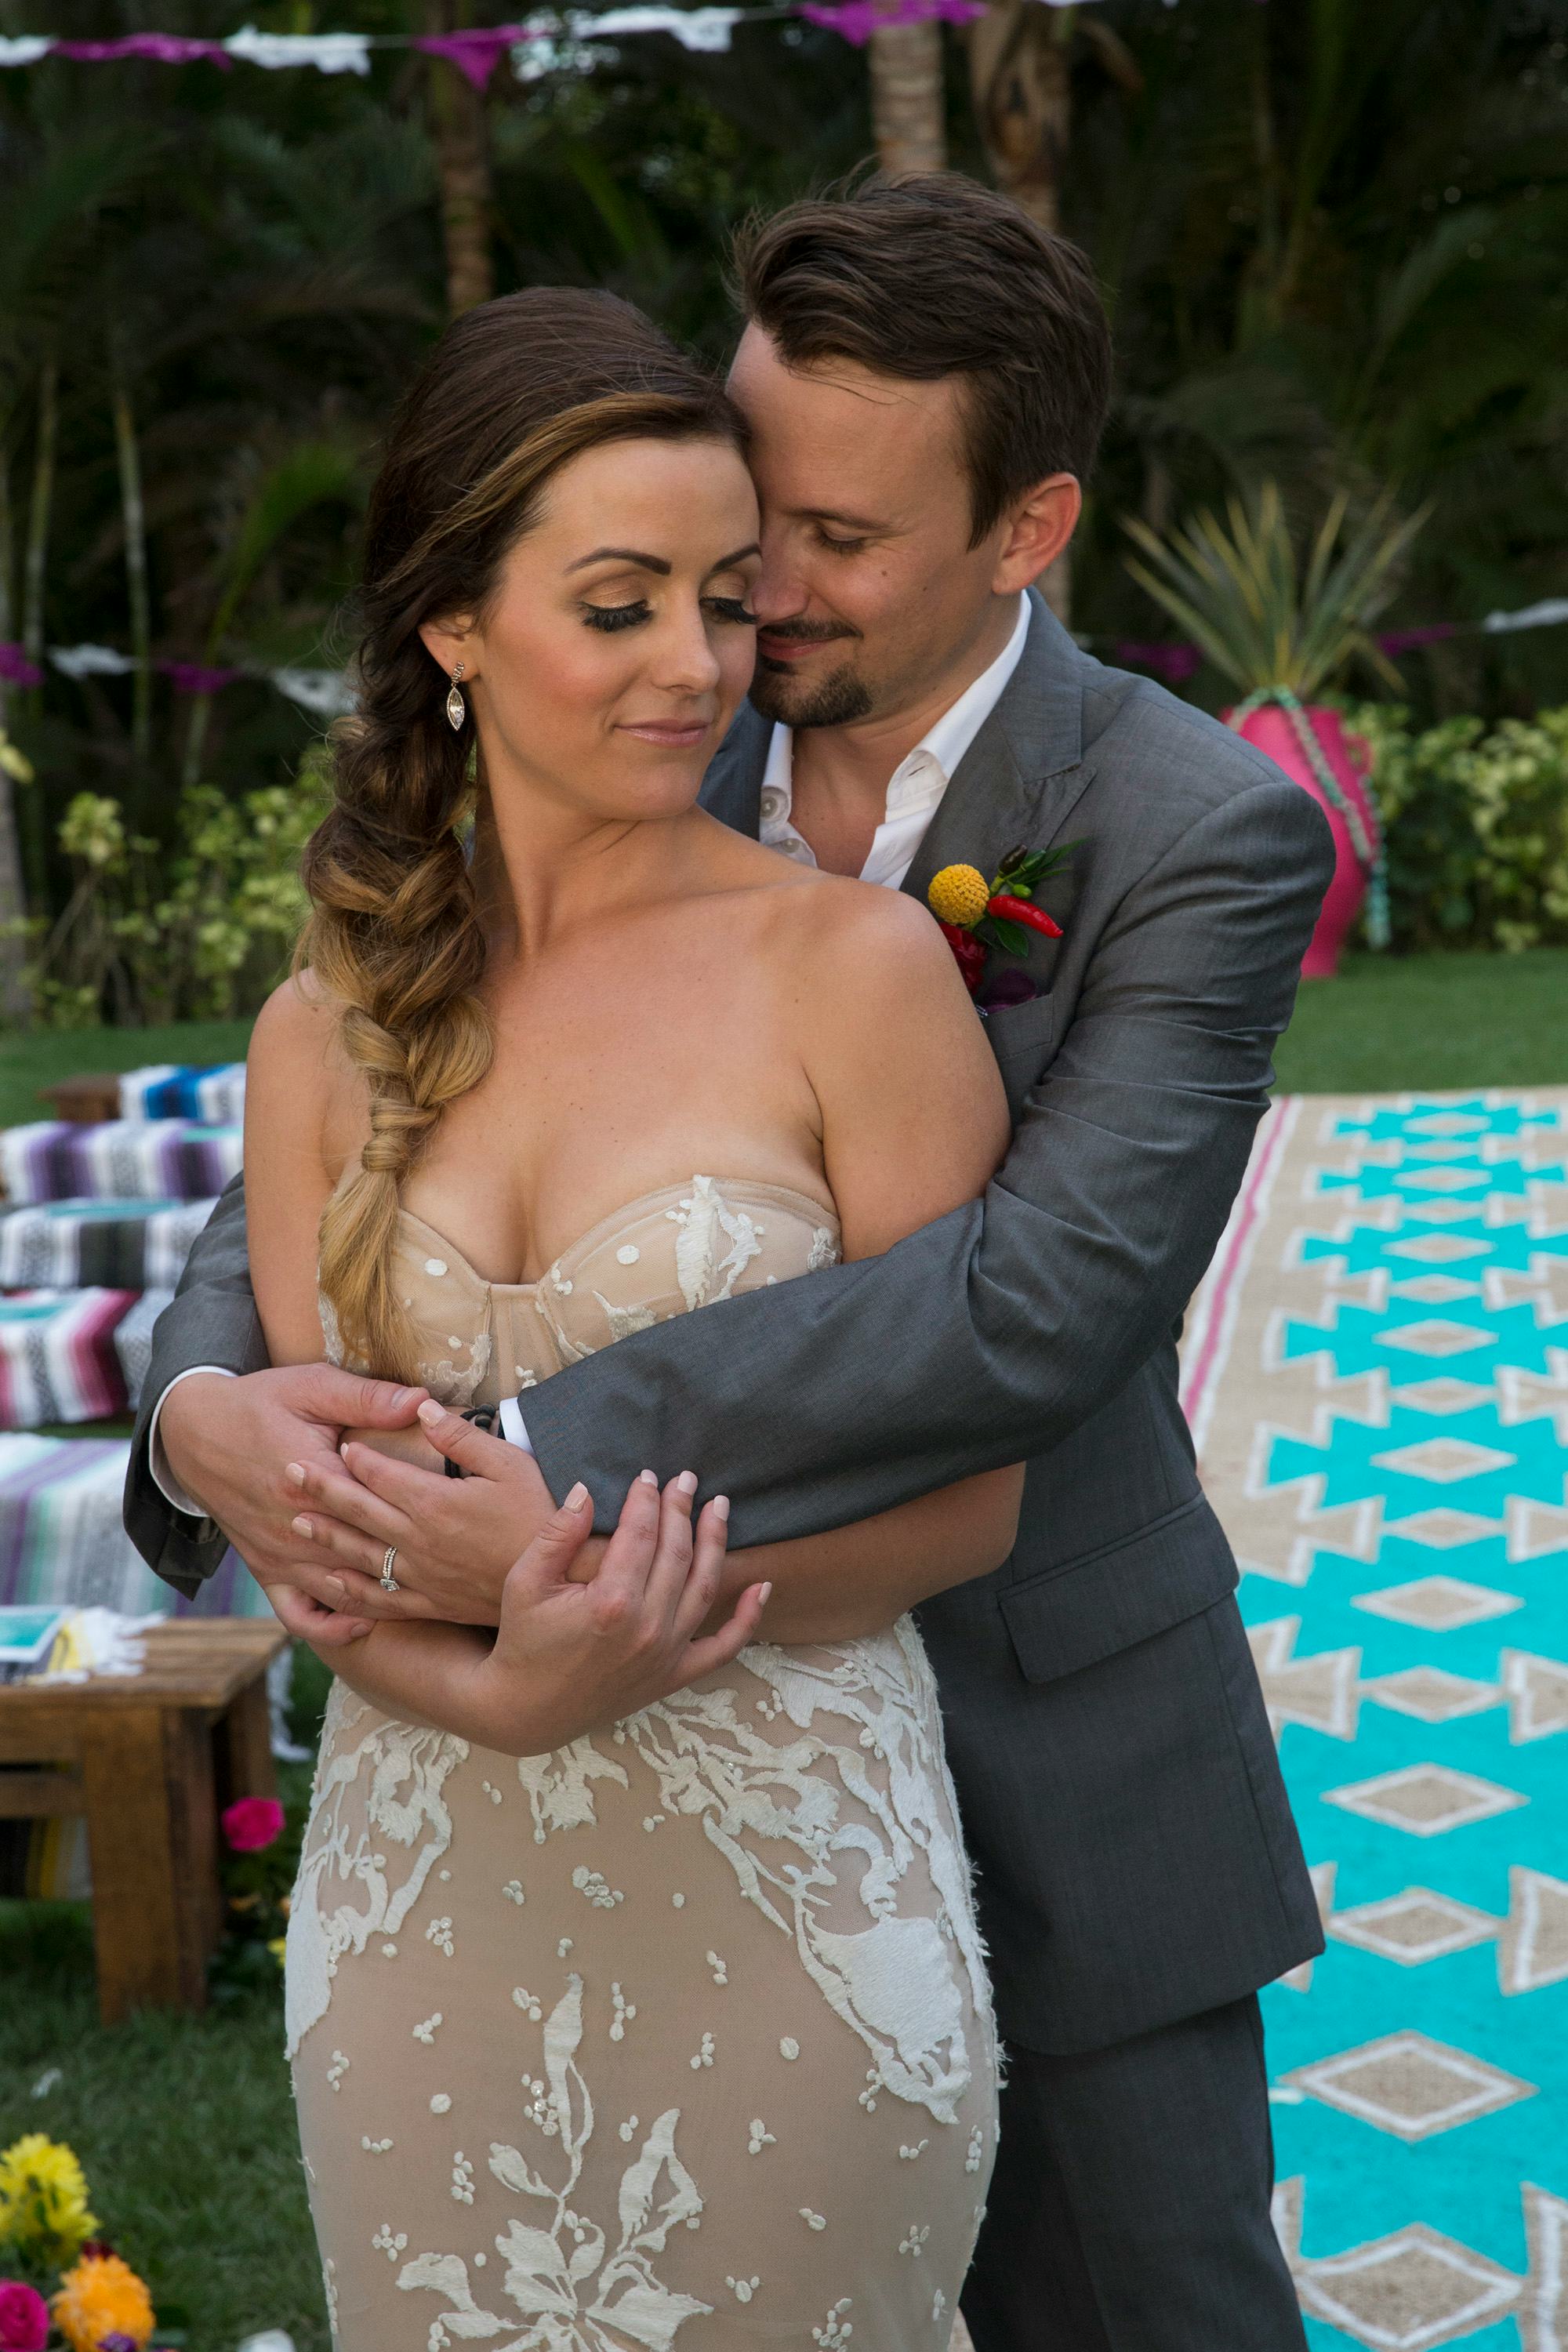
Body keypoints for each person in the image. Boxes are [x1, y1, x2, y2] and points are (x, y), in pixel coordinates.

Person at [128, 179, 1335, 2351]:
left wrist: (518, 1484)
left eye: (833, 546)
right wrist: (201, 1408)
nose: (751, 604)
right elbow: (336, 1139)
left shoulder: (1192, 829)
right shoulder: (647, 694)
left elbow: (1026, 1314)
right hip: (526, 1828)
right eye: (738, 522)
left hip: (1041, 1753)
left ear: (1026, 531)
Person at [238, 287, 1016, 2348]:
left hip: (788, 1913)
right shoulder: (317, 1031)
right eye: (619, 603)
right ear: (454, 627)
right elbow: (304, 1517)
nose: (697, 663)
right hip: (417, 1924)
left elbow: (969, 1511)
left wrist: (599, 1594)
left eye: (726, 598)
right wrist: (500, 1685)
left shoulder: (855, 976)